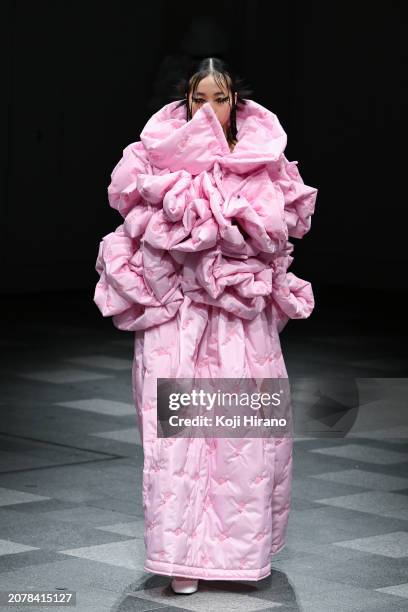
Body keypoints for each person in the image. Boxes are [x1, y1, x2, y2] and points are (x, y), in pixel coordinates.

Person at [94, 57, 318, 595]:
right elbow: (135, 224)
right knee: (179, 436)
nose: (210, 109)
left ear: (236, 103)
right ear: (186, 101)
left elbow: (284, 228)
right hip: (180, 318)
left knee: (247, 435)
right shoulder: (152, 158)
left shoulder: (265, 159)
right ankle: (182, 560)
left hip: (242, 319)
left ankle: (241, 558)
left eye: (221, 98)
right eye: (200, 98)